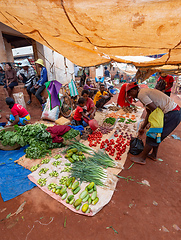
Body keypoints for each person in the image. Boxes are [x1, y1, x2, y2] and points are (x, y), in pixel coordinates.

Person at [126, 82, 181, 165]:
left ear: (135, 89)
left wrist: (153, 124)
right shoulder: (143, 93)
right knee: (158, 134)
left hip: (171, 114)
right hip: (174, 113)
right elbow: (149, 113)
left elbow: (155, 110)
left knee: (152, 134)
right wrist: (142, 127)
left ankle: (142, 158)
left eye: (130, 92)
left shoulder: (141, 94)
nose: (130, 95)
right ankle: (153, 155)